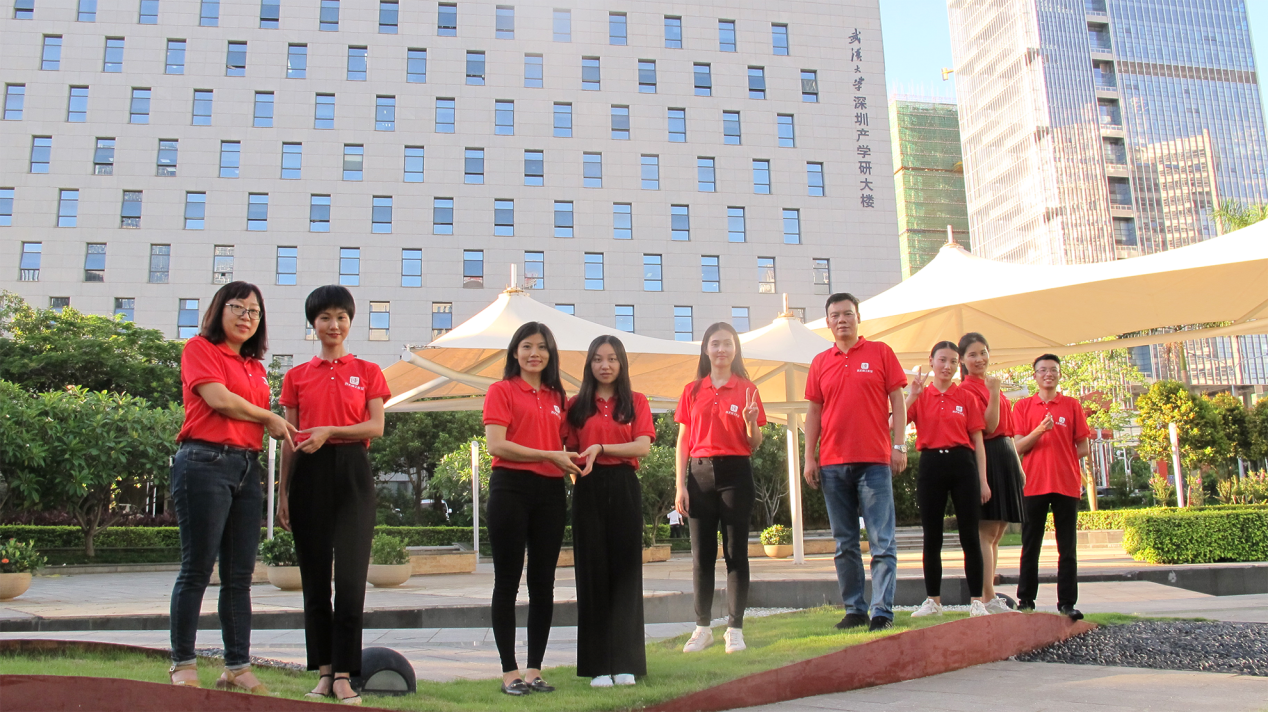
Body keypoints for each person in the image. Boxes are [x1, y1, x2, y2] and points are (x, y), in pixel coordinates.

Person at [168, 281, 297, 691]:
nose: (246, 316)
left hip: (246, 466)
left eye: (254, 311)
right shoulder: (200, 349)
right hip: (204, 461)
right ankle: (183, 664)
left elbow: (251, 412)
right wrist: (268, 417)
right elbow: (219, 399)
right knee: (197, 569)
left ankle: (237, 667)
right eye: (238, 307)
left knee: (240, 575)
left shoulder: (255, 367)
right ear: (219, 311)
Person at [276, 286, 390, 705]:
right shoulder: (296, 376)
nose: (334, 324)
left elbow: (376, 426)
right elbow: (290, 439)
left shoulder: (368, 370)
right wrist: (283, 492)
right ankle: (324, 673)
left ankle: (344, 674)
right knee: (314, 579)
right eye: (325, 317)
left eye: (341, 317)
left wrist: (330, 431)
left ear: (350, 322)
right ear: (314, 323)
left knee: (351, 580)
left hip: (353, 471)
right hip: (309, 472)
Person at [483, 322, 582, 696]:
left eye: (542, 347)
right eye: (527, 346)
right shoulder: (501, 390)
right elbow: (497, 445)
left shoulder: (558, 396)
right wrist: (548, 455)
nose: (534, 353)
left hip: (550, 492)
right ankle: (509, 672)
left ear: (550, 354)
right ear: (515, 352)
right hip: (510, 488)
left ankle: (534, 671)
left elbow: (568, 444)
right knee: (507, 582)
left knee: (543, 583)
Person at [803, 293, 907, 632]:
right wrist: (809, 457)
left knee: (882, 541)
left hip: (874, 461)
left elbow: (898, 400)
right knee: (844, 543)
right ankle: (854, 609)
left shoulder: (881, 353)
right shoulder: (820, 362)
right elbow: (814, 412)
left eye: (848, 313)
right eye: (835, 315)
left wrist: (900, 445)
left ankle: (882, 611)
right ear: (828, 322)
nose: (842, 320)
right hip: (833, 464)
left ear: (858, 317)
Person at [564, 335, 655, 688]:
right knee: (592, 574)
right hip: (588, 489)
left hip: (624, 486)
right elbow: (570, 453)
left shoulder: (636, 401)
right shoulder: (576, 405)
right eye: (598, 359)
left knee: (626, 573)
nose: (605, 365)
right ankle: (598, 665)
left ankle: (626, 662)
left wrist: (601, 447)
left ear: (622, 363)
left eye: (612, 358)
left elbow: (642, 446)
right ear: (589, 364)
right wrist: (581, 470)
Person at [674, 322, 766, 655]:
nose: (721, 349)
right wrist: (680, 485)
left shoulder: (747, 389)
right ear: (706, 349)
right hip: (699, 475)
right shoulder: (692, 390)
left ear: (735, 349)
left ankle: (734, 629)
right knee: (701, 556)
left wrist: (750, 421)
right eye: (715, 343)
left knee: (735, 554)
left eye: (727, 343)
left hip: (735, 474)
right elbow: (683, 441)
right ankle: (702, 628)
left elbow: (754, 442)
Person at [905, 341, 992, 618]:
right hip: (931, 464)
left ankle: (976, 601)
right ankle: (933, 601)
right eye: (942, 360)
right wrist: (911, 396)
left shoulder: (966, 396)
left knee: (970, 535)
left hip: (962, 464)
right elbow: (893, 424)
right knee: (932, 536)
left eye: (953, 361)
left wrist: (983, 480)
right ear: (931, 360)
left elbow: (978, 440)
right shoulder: (921, 396)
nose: (947, 366)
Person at [1013, 354, 1090, 620]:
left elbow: (1083, 446)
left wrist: (1063, 459)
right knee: (1030, 545)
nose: (1048, 374)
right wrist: (1039, 431)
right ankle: (1026, 600)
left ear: (1059, 374)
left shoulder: (1071, 405)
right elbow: (1017, 447)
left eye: (1053, 370)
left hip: (1066, 484)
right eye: (1043, 370)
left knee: (1067, 547)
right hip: (1033, 484)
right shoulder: (1023, 406)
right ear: (1034, 375)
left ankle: (1067, 603)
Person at [958, 333, 1026, 614]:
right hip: (986, 455)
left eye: (983, 352)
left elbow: (1008, 431)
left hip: (1005, 455)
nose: (980, 359)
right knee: (985, 532)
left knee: (997, 533)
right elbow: (989, 426)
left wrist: (1018, 467)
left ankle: (991, 595)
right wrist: (995, 393)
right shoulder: (968, 389)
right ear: (962, 360)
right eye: (972, 354)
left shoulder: (989, 383)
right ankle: (986, 596)